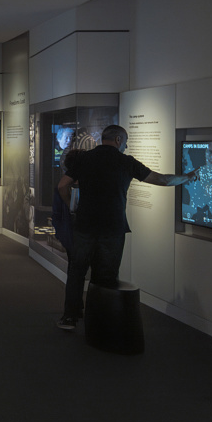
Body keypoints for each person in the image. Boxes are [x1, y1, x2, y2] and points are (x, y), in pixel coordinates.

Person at [55, 124, 199, 331]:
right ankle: (99, 322)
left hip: (85, 226)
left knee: (76, 271)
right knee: (105, 275)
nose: (126, 145)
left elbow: (62, 185)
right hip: (113, 228)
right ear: (118, 140)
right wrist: (188, 176)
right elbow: (162, 180)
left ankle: (69, 318)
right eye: (126, 142)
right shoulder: (126, 162)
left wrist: (73, 209)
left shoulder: (84, 159)